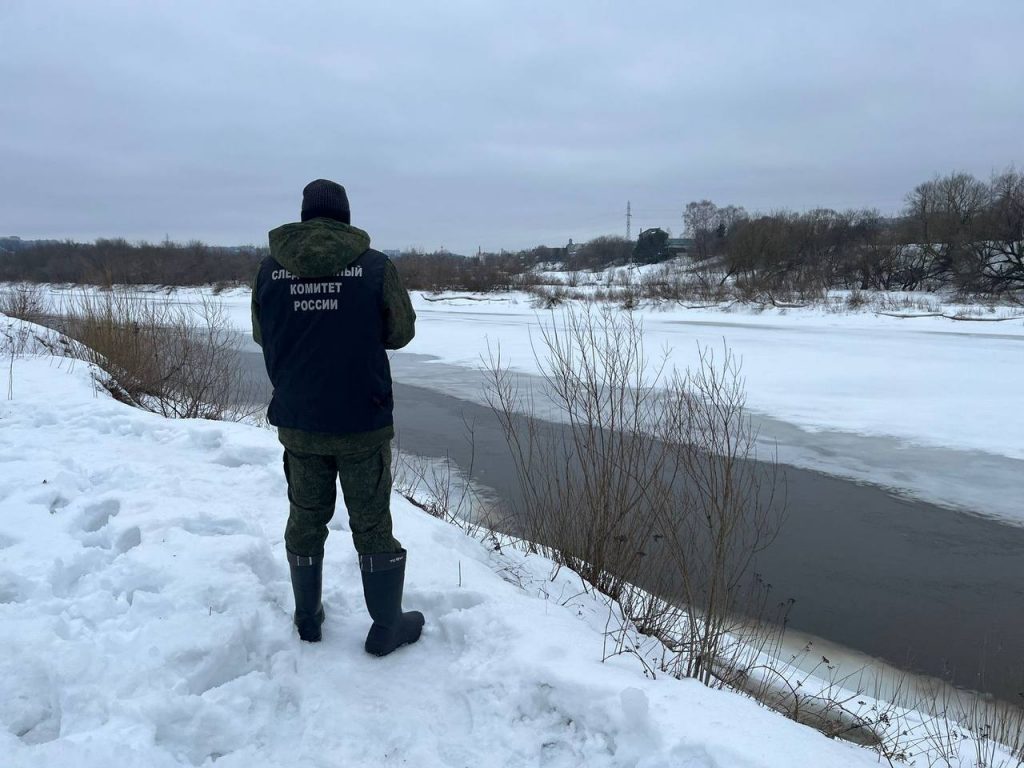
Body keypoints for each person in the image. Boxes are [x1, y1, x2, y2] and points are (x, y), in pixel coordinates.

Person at [251, 178, 423, 655]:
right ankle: (387, 625)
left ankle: (307, 617)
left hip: (300, 420)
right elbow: (401, 331)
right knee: (371, 522)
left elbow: (264, 336)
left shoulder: (269, 271)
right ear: (345, 218)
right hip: (361, 422)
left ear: (305, 217)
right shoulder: (374, 268)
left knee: (305, 518)